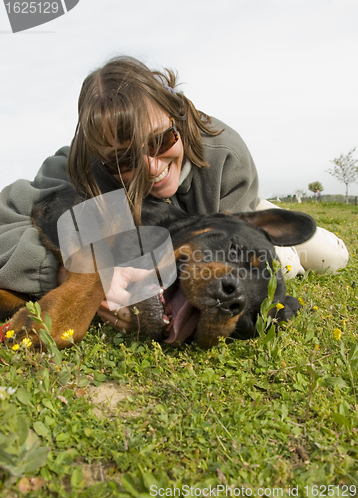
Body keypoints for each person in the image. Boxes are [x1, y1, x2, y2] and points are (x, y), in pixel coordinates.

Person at [0, 56, 349, 333]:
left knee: (323, 259)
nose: (151, 167)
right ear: (97, 153)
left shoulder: (225, 153)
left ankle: (290, 251)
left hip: (233, 216)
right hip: (167, 228)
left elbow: (233, 240)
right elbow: (17, 220)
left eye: (160, 141)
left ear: (178, 115)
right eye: (124, 160)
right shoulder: (81, 164)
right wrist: (65, 274)